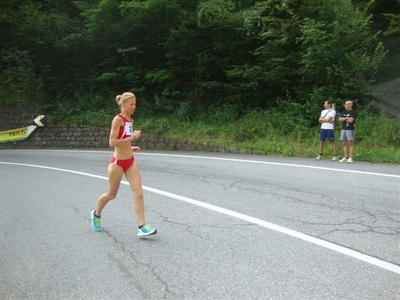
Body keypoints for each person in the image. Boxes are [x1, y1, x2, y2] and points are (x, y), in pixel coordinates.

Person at [91, 92, 157, 236]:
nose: (134, 107)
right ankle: (96, 214)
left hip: (130, 161)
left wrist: (130, 147)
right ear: (123, 104)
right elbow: (112, 142)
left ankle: (141, 226)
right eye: (131, 104)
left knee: (139, 194)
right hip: (117, 163)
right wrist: (131, 138)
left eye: (135, 104)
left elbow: (124, 140)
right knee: (111, 194)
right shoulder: (118, 120)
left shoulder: (130, 121)